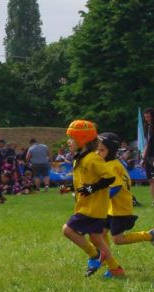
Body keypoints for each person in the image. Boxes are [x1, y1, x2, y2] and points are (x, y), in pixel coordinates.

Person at [96, 132, 154, 278]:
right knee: (100, 234)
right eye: (97, 149)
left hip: (120, 208)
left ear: (112, 151)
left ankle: (149, 235)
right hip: (111, 207)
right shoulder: (111, 163)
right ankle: (107, 261)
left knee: (118, 240)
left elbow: (115, 188)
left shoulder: (111, 166)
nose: (97, 152)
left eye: (101, 150)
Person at [61, 120, 115, 277]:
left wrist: (91, 189)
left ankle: (95, 255)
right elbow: (82, 183)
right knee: (97, 239)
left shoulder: (93, 158)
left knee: (67, 230)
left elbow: (109, 178)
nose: (68, 142)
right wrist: (67, 189)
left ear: (82, 139)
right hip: (87, 207)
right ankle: (116, 269)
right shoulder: (79, 158)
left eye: (71, 138)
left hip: (92, 209)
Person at [141, 108, 154, 205]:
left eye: (148, 116)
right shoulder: (147, 127)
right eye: (145, 117)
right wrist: (143, 157)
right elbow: (147, 143)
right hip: (148, 157)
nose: (147, 118)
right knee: (150, 180)